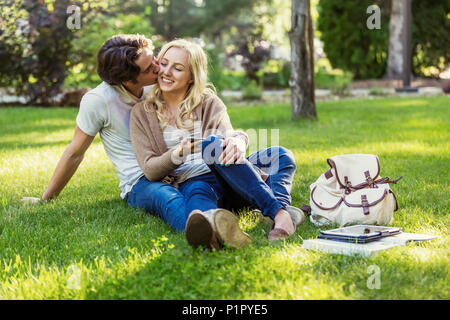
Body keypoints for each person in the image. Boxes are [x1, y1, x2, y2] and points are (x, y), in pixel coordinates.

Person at [129, 39, 304, 250]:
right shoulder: (142, 113)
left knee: (279, 155)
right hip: (196, 182)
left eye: (177, 68)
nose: (166, 72)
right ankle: (272, 216)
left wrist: (239, 141)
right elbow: (149, 169)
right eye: (164, 64)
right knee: (199, 204)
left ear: (192, 76)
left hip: (233, 175)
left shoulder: (209, 102)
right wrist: (179, 153)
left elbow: (227, 136)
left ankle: (278, 211)